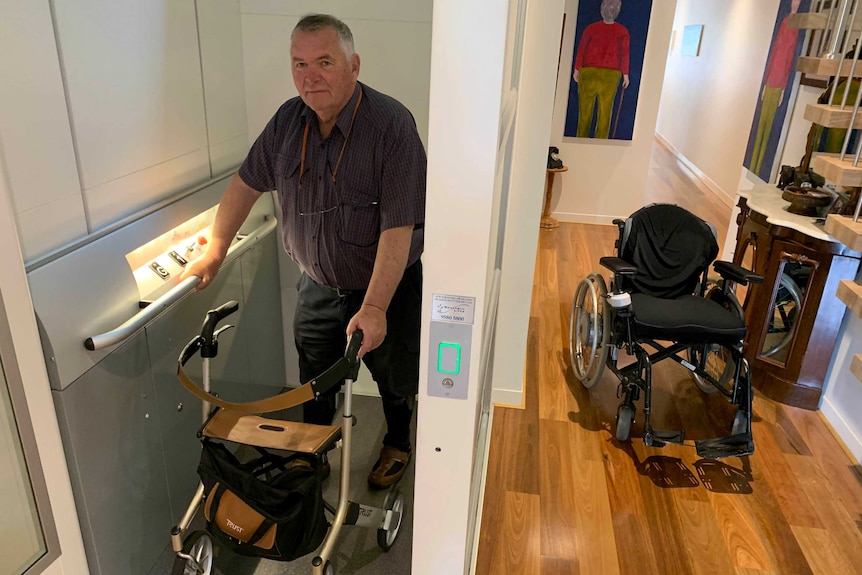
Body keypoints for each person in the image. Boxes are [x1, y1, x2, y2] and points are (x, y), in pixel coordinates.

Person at [182, 13, 426, 489]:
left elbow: (400, 226)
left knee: (394, 380)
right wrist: (214, 250)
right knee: (315, 381)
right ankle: (313, 453)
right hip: (317, 286)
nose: (309, 76)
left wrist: (375, 306)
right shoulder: (287, 122)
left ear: (353, 66)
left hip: (386, 289)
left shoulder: (392, 125)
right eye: (299, 64)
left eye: (324, 62)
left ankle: (399, 441)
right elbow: (244, 185)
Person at [750, 0, 802, 175]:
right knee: (760, 126)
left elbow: (789, 61)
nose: (795, 3)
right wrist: (765, 83)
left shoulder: (796, 26)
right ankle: (754, 166)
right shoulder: (785, 22)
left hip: (779, 84)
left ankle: (758, 170)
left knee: (768, 126)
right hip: (772, 80)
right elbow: (775, 54)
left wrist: (784, 88)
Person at [572, 0, 630, 139]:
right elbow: (625, 55)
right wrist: (626, 75)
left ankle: (580, 143)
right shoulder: (622, 31)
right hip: (610, 76)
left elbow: (581, 50)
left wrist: (577, 69)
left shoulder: (590, 29)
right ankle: (600, 147)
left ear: (601, 9)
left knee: (584, 113)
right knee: (605, 115)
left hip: (588, 73)